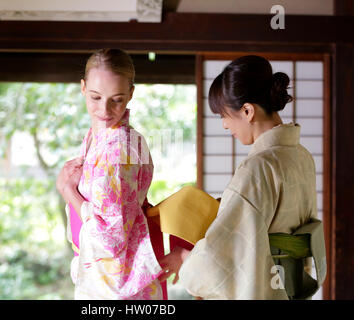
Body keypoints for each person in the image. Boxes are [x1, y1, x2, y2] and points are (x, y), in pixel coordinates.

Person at [159, 55, 319, 299]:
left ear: (247, 111)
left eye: (224, 115)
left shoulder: (258, 167)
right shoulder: (301, 156)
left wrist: (186, 259)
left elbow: (221, 255)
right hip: (288, 287)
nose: (224, 125)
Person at [56, 48, 164, 300]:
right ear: (83, 88)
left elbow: (110, 239)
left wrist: (68, 191)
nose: (104, 110)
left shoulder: (118, 149)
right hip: (109, 278)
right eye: (95, 97)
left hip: (116, 285)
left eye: (116, 99)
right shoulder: (100, 138)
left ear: (130, 94)